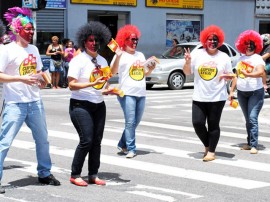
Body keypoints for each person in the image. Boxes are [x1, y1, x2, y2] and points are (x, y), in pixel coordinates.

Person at [0, 7, 61, 194]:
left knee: (42, 140)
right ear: (18, 29)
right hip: (14, 104)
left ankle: (44, 173)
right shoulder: (6, 50)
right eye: (28, 28)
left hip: (35, 101)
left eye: (33, 28)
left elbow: (37, 73)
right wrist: (21, 79)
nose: (32, 31)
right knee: (4, 142)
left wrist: (41, 81)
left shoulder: (34, 49)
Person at [68, 21, 111, 186]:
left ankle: (93, 174)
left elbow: (104, 84)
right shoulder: (78, 60)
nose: (94, 43)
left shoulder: (103, 61)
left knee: (97, 141)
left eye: (96, 40)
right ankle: (75, 174)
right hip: (80, 105)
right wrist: (91, 85)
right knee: (86, 139)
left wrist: (109, 89)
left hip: (99, 105)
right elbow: (71, 84)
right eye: (90, 40)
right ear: (84, 42)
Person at [183, 25, 233, 162]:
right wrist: (187, 62)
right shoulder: (197, 54)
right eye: (210, 39)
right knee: (197, 123)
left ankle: (211, 151)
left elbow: (230, 74)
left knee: (213, 125)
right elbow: (187, 72)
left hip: (217, 97)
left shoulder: (224, 57)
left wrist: (228, 77)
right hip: (199, 96)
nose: (212, 42)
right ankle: (207, 145)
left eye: (215, 39)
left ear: (219, 41)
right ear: (205, 40)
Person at [110, 24, 156, 158]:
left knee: (135, 122)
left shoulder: (140, 55)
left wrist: (151, 68)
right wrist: (117, 56)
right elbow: (113, 72)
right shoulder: (121, 54)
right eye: (132, 39)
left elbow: (144, 73)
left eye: (136, 40)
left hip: (141, 92)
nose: (135, 42)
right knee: (130, 122)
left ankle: (122, 143)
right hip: (126, 93)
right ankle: (131, 148)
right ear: (124, 40)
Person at [230, 30, 265, 154]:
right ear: (242, 45)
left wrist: (248, 73)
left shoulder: (258, 58)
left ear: (256, 45)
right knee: (247, 119)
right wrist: (231, 91)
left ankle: (254, 145)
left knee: (252, 118)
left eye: (251, 44)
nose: (249, 46)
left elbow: (260, 72)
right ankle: (249, 143)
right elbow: (236, 75)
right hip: (242, 93)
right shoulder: (240, 59)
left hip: (255, 92)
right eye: (247, 43)